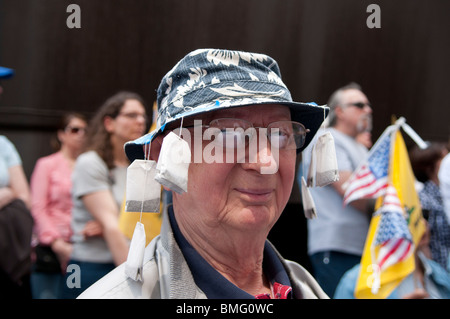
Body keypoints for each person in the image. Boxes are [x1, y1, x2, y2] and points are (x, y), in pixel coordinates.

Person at [79, 48, 329, 299]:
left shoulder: (308, 291)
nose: (266, 161)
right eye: (229, 132)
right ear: (162, 158)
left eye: (280, 134)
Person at [62, 91, 148, 298]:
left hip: (130, 262)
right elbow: (111, 226)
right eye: (131, 115)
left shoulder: (140, 166)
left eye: (143, 116)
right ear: (109, 123)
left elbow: (146, 219)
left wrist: (116, 224)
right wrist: (136, 278)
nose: (141, 121)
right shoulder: (90, 162)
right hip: (90, 267)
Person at [301, 82, 375, 297]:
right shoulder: (326, 137)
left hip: (361, 246)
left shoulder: (359, 146)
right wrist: (390, 203)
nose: (368, 110)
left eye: (369, 105)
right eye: (359, 105)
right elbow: (352, 190)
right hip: (337, 245)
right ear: (339, 111)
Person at [29, 112, 88, 299]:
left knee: (73, 294)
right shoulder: (46, 164)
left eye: (85, 130)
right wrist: (57, 243)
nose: (81, 134)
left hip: (79, 248)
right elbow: (37, 207)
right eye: (75, 129)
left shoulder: (88, 166)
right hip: (50, 249)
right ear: (61, 134)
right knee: (47, 296)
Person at [334, 220, 450, 299]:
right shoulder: (356, 281)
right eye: (403, 218)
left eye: (421, 214)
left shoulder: (438, 274)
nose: (422, 223)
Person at [409, 142, 450, 270]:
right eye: (443, 159)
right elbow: (423, 242)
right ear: (430, 167)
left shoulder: (444, 194)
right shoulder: (423, 200)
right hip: (439, 271)